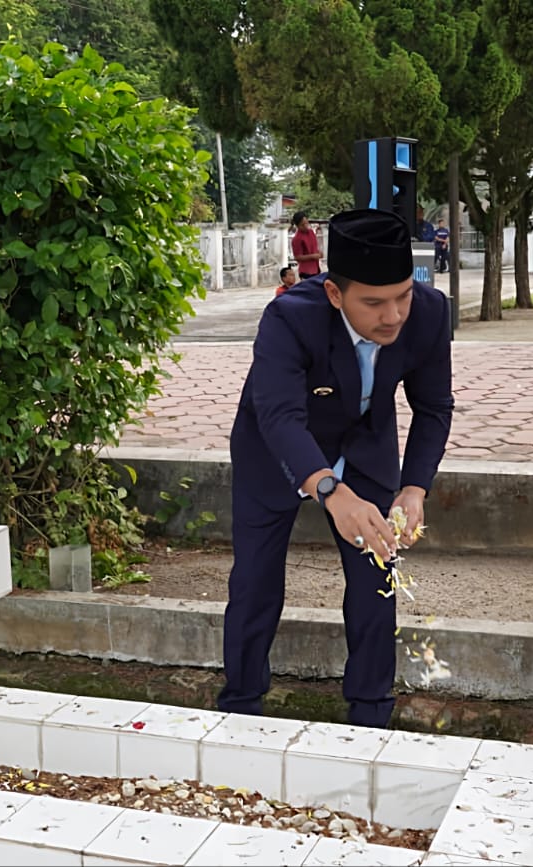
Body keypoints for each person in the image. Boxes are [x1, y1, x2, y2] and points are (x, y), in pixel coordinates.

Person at [219, 208, 454, 729]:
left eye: (402, 296)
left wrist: (414, 488)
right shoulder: (288, 317)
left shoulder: (431, 313)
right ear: (334, 293)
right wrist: (329, 488)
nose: (393, 315)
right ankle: (240, 707)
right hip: (275, 452)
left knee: (376, 579)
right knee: (256, 582)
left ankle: (371, 713)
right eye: (373, 303)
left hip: (365, 447)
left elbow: (434, 407)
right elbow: (279, 415)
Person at [290, 211, 324, 279]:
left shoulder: (311, 232)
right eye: (302, 225)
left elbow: (313, 248)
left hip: (316, 268)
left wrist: (319, 253)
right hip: (305, 271)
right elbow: (297, 257)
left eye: (306, 223)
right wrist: (313, 256)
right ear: (297, 225)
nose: (305, 226)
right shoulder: (297, 239)